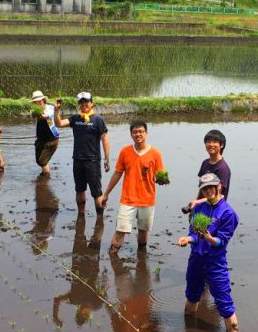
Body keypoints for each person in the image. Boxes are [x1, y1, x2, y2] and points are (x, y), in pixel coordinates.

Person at [177, 173, 240, 332]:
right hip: (196, 260)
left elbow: (221, 242)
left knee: (224, 303)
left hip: (215, 263)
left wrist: (210, 239)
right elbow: (194, 235)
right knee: (192, 295)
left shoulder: (228, 213)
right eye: (204, 189)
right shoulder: (198, 208)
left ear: (219, 186)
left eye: (211, 187)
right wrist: (188, 239)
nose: (207, 191)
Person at [100, 121, 167, 254]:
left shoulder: (155, 154)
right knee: (120, 230)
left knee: (143, 232)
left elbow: (161, 177)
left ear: (146, 133)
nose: (138, 134)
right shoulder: (125, 152)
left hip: (147, 200)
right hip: (128, 200)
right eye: (135, 132)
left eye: (141, 131)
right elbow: (117, 173)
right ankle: (112, 255)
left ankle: (141, 259)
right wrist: (106, 193)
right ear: (131, 134)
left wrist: (162, 180)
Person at [54, 92, 110, 216]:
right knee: (79, 190)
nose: (84, 104)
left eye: (86, 101)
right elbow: (59, 124)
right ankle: (81, 215)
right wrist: (56, 111)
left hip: (93, 161)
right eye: (81, 102)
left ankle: (99, 218)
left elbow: (104, 139)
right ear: (79, 104)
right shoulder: (75, 118)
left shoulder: (98, 120)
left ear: (92, 103)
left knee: (96, 192)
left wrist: (107, 158)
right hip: (77, 160)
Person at [183, 129, 231, 213]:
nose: (211, 145)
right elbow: (201, 188)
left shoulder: (222, 168)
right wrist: (195, 206)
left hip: (215, 210)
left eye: (215, 142)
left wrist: (197, 202)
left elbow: (218, 194)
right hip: (202, 207)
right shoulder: (205, 163)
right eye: (208, 142)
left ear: (221, 145)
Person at [30, 90, 60, 175]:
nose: (37, 103)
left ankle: (46, 177)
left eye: (39, 101)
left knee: (42, 161)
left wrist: (41, 114)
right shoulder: (34, 111)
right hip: (40, 139)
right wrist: (35, 114)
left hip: (52, 140)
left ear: (43, 100)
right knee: (38, 161)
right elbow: (32, 115)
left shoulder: (50, 108)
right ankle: (46, 171)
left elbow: (47, 116)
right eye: (35, 102)